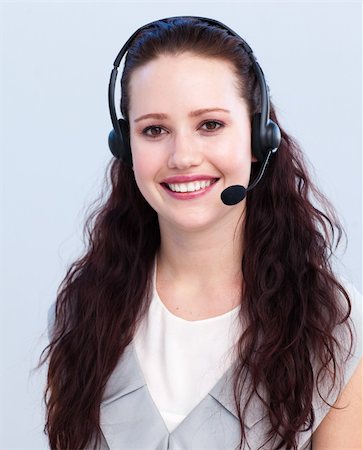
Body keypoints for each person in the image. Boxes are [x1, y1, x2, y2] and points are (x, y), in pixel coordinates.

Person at [39, 16, 362, 450]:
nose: (183, 156)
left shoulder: (334, 324)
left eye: (210, 125)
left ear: (259, 137)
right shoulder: (86, 307)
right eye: (154, 130)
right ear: (125, 146)